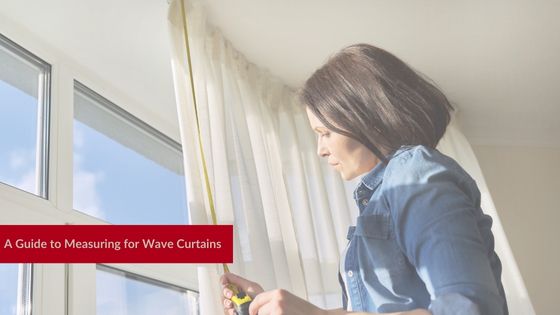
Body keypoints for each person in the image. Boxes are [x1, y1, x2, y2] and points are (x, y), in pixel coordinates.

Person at [220, 44, 508, 315]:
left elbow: (468, 308)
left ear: (362, 116)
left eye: (325, 133)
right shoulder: (382, 196)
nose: (320, 150)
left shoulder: (413, 175)